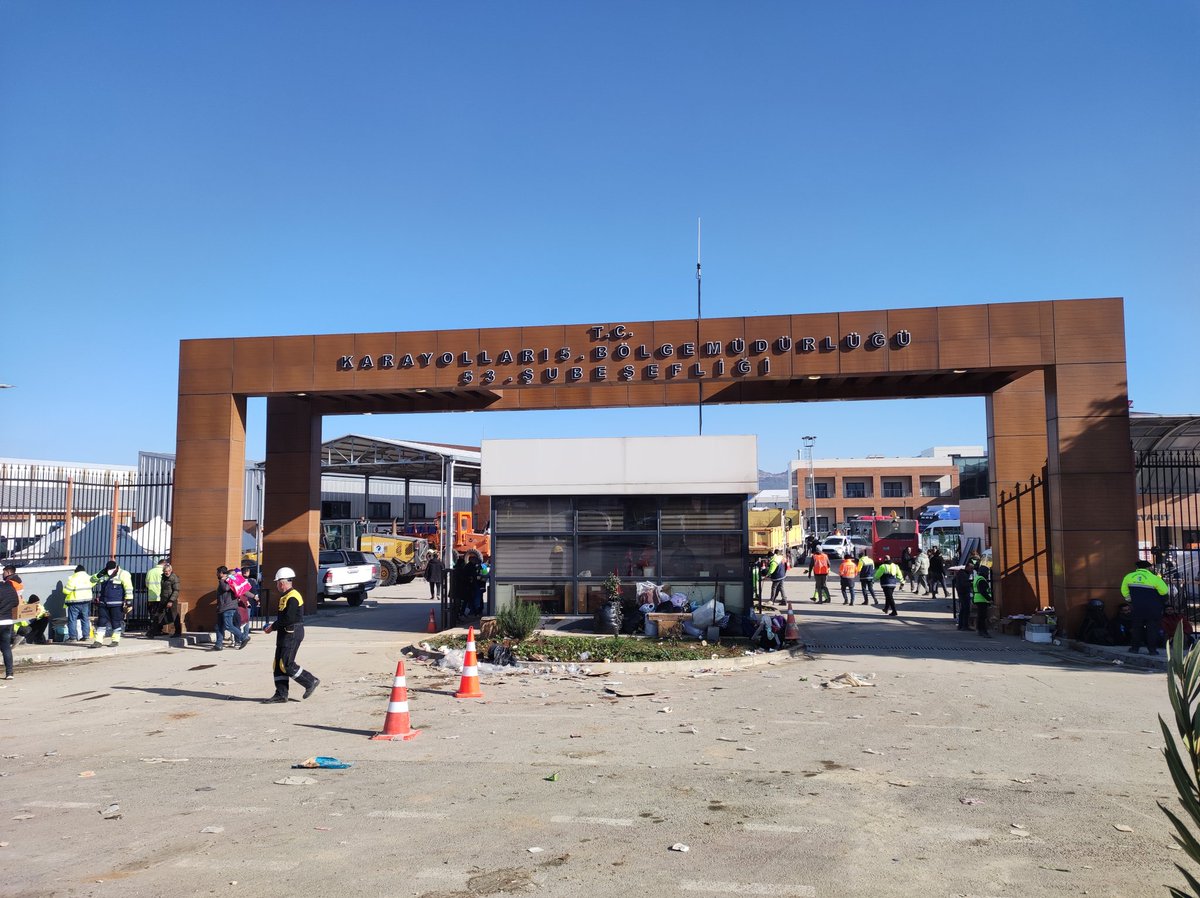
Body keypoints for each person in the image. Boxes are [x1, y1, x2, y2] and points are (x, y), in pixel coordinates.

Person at [263, 566, 319, 703]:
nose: (277, 586)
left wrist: (273, 627)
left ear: (282, 583)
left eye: (277, 583)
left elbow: (290, 618)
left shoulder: (293, 596)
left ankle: (310, 681)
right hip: (284, 633)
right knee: (278, 664)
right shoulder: (286, 596)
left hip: (292, 632)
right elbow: (284, 617)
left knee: (286, 664)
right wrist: (275, 626)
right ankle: (281, 694)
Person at [1120, 559, 1169, 655]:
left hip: (1137, 608)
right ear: (1148, 568)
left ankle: (1135, 648)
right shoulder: (1155, 578)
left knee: (1136, 628)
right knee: (1152, 629)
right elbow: (1164, 592)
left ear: (1137, 568)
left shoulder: (1128, 577)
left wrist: (1131, 600)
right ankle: (1152, 650)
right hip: (1153, 609)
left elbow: (1124, 591)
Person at [90, 561, 132, 648]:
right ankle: (98, 641)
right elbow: (91, 581)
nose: (110, 571)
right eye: (108, 569)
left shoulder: (123, 574)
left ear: (116, 568)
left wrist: (129, 601)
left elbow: (128, 587)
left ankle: (115, 640)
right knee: (101, 622)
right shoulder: (104, 573)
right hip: (103, 603)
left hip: (116, 603)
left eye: (111, 569)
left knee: (115, 622)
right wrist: (98, 575)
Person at [214, 566, 249, 651]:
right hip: (223, 607)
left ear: (222, 573)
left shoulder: (227, 580)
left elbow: (226, 588)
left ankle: (243, 637)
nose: (217, 574)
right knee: (219, 626)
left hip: (227, 607)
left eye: (218, 572)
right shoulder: (229, 580)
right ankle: (218, 644)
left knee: (228, 625)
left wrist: (222, 579)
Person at [63, 564, 95, 642]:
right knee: (85, 619)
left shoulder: (73, 578)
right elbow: (93, 583)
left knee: (72, 620)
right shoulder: (89, 578)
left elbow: (66, 591)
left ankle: (73, 638)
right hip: (86, 602)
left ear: (76, 571)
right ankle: (86, 636)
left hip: (74, 602)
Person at [158, 560, 182, 638]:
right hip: (163, 599)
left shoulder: (174, 578)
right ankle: (154, 630)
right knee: (158, 615)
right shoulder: (163, 577)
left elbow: (176, 590)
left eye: (168, 571)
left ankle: (178, 632)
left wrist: (171, 600)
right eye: (165, 571)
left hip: (171, 600)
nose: (167, 572)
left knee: (174, 616)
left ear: (171, 570)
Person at [0, 571, 17, 679]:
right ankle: (9, 673)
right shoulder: (10, 588)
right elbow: (16, 602)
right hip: (7, 621)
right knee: (6, 647)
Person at [144, 558, 166, 638]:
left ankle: (155, 630)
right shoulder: (162, 572)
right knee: (160, 615)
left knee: (153, 615)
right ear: (164, 564)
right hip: (160, 596)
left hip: (151, 597)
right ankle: (156, 631)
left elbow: (146, 584)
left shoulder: (150, 571)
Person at [972, 565, 993, 637]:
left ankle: (980, 630)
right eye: (987, 572)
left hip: (978, 599)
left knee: (980, 616)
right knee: (983, 616)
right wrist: (989, 599)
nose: (988, 574)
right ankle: (983, 631)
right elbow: (983, 591)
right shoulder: (981, 580)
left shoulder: (977, 578)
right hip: (982, 600)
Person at [954, 562, 975, 630]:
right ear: (967, 567)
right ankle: (964, 626)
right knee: (966, 609)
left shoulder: (963, 574)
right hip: (963, 593)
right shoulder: (963, 574)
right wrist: (970, 584)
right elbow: (964, 584)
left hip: (962, 593)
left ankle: (961, 625)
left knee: (963, 609)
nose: (972, 570)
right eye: (971, 568)